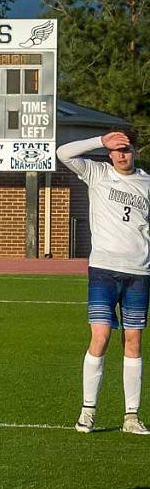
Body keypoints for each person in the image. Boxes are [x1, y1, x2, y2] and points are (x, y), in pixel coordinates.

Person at [58, 130, 150, 435]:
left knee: (133, 342)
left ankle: (131, 417)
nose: (122, 154)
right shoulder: (97, 173)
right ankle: (88, 412)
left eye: (127, 149)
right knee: (100, 338)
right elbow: (63, 153)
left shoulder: (147, 183)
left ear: (135, 151)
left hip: (139, 272)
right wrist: (99, 141)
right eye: (117, 149)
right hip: (103, 269)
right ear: (110, 152)